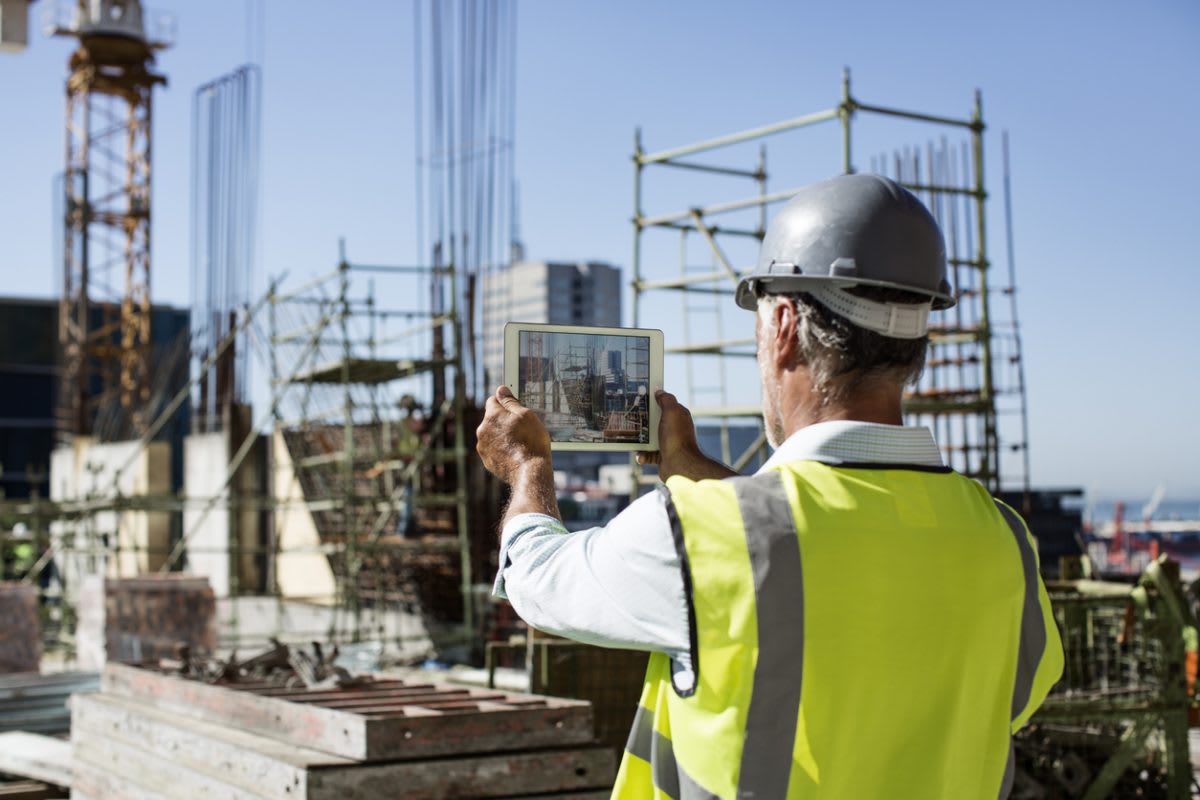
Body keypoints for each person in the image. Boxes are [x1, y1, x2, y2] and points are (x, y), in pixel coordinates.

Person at [475, 173, 1063, 799]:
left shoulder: (699, 533)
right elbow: (1009, 697)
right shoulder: (1003, 540)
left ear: (782, 327)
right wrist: (689, 464)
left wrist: (526, 466)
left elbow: (540, 581)